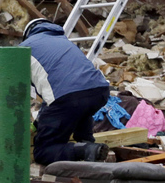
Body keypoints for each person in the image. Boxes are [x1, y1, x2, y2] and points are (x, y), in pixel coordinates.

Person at [20, 19, 111, 163]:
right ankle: (90, 148)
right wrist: (39, 122)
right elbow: (56, 90)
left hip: (68, 97)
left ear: (27, 35)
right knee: (81, 117)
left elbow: (12, 94)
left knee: (44, 151)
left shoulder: (23, 48)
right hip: (98, 91)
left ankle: (86, 151)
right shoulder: (64, 41)